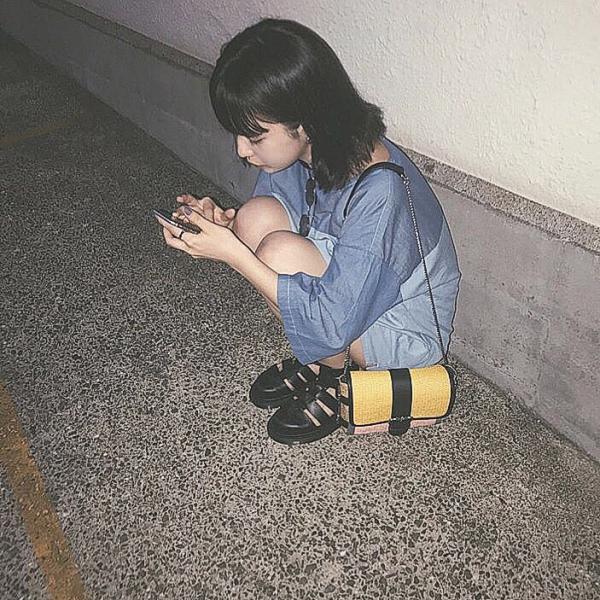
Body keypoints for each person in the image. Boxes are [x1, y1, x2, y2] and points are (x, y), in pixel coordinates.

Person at [155, 18, 460, 445]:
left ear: (304, 122)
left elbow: (329, 315)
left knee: (275, 254)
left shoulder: (380, 190)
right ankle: (322, 360)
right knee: (253, 218)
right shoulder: (315, 149)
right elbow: (273, 222)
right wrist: (223, 226)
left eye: (254, 136)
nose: (241, 149)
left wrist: (232, 253)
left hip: (404, 325)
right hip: (355, 290)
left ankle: (333, 375)